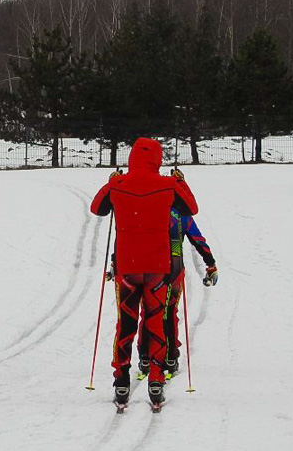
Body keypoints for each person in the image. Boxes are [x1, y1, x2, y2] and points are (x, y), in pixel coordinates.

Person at [90, 137, 198, 408]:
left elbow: (97, 208)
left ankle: (121, 381)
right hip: (158, 268)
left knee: (125, 323)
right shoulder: (168, 185)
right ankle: (156, 381)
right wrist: (180, 180)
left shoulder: (118, 185)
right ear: (157, 159)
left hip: (127, 267)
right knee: (156, 322)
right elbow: (191, 209)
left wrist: (112, 180)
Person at [135, 207, 218, 379]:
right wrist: (210, 264)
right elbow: (197, 239)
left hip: (148, 265)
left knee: (149, 311)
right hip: (174, 265)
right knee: (169, 311)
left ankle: (145, 356)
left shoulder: (148, 205)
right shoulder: (182, 213)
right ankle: (171, 357)